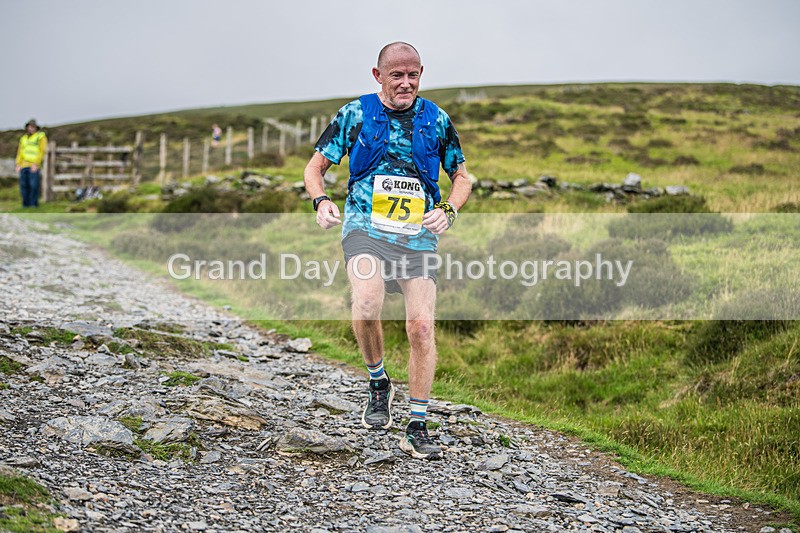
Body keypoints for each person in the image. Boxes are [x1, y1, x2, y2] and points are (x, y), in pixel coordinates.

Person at [304, 42, 471, 460]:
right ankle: (379, 383)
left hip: (417, 235)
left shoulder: (437, 119)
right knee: (366, 301)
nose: (406, 83)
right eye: (396, 75)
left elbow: (462, 177)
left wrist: (448, 209)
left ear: (421, 74)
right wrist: (321, 200)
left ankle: (417, 424)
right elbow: (315, 167)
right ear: (378, 76)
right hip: (365, 227)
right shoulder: (355, 113)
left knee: (420, 327)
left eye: (413, 74)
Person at [15, 119, 47, 208]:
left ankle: (33, 204)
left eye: (33, 127)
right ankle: (25, 204)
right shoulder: (23, 138)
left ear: (36, 128)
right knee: (24, 185)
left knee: (34, 185)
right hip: (23, 165)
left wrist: (36, 163)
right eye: (29, 126)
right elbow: (20, 152)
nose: (31, 128)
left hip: (33, 165)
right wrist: (18, 164)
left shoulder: (40, 137)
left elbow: (42, 151)